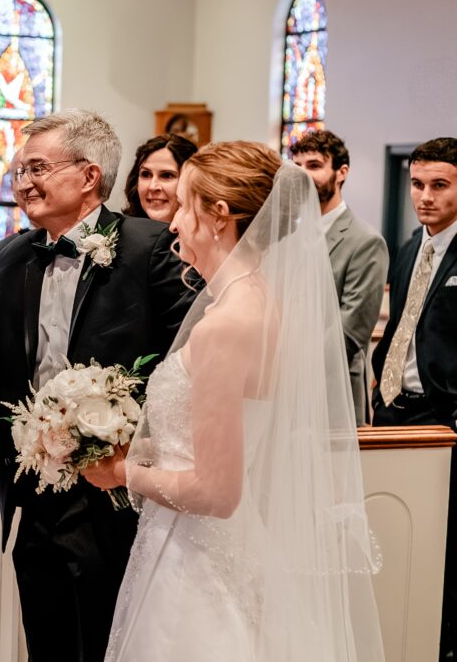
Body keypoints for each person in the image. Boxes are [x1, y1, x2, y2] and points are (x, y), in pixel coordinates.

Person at [0, 109, 194, 661]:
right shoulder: (11, 256)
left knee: (106, 644)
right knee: (44, 641)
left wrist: (135, 441)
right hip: (33, 494)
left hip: (115, 495)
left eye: (38, 168)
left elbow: (190, 362)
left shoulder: (151, 247)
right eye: (19, 171)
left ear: (90, 176)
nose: (23, 183)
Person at [85, 142, 384, 661]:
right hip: (210, 542)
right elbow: (224, 438)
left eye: (183, 204)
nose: (173, 222)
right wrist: (143, 444)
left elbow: (217, 491)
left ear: (219, 215)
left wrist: (120, 473)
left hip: (195, 556)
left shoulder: (227, 325)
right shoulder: (259, 301)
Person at [370, 136, 457, 659]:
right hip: (395, 409)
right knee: (397, 530)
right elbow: (402, 324)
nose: (425, 197)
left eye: (440, 186)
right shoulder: (408, 249)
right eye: (418, 185)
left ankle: (439, 640)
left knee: (440, 541)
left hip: (443, 415)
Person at [291, 130, 388, 424]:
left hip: (332, 394)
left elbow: (350, 333)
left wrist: (283, 368)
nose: (303, 176)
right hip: (285, 396)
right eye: (297, 167)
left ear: (341, 172)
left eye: (314, 166)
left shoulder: (365, 241)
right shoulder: (289, 237)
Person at [123, 134, 198, 222]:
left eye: (167, 175)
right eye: (146, 174)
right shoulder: (120, 231)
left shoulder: (210, 234)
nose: (153, 187)